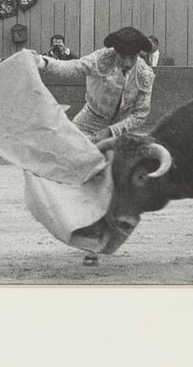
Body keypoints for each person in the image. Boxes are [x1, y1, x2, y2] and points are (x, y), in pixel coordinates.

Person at [31, 26, 155, 264]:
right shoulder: (102, 59)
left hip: (119, 133)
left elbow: (140, 114)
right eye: (123, 56)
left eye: (132, 57)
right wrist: (43, 62)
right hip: (88, 124)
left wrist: (110, 131)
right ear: (115, 52)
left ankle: (94, 246)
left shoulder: (145, 74)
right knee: (62, 173)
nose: (127, 62)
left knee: (110, 189)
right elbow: (72, 67)